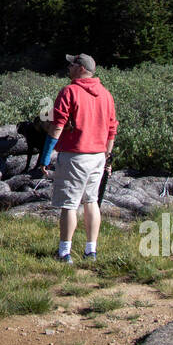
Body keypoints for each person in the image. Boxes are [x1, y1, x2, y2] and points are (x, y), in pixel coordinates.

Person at [38, 54, 118, 263]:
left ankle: (64, 252)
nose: (69, 66)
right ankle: (91, 251)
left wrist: (45, 157)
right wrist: (107, 158)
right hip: (98, 157)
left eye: (72, 64)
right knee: (91, 202)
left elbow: (57, 126)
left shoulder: (69, 91)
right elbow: (112, 129)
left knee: (69, 205)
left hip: (74, 156)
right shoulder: (106, 94)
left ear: (81, 69)